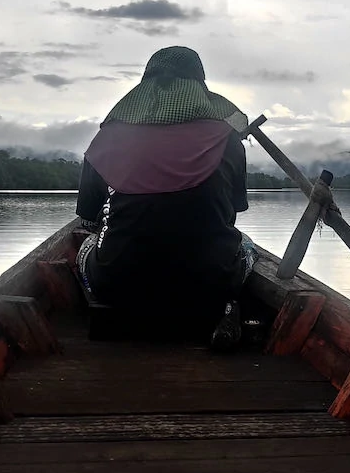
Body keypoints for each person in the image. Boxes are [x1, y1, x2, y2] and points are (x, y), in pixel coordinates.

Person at [74, 46, 254, 349]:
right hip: (209, 282)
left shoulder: (108, 137)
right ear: (200, 86)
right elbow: (232, 211)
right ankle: (226, 305)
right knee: (246, 245)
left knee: (86, 243)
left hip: (116, 283)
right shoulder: (228, 138)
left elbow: (89, 217)